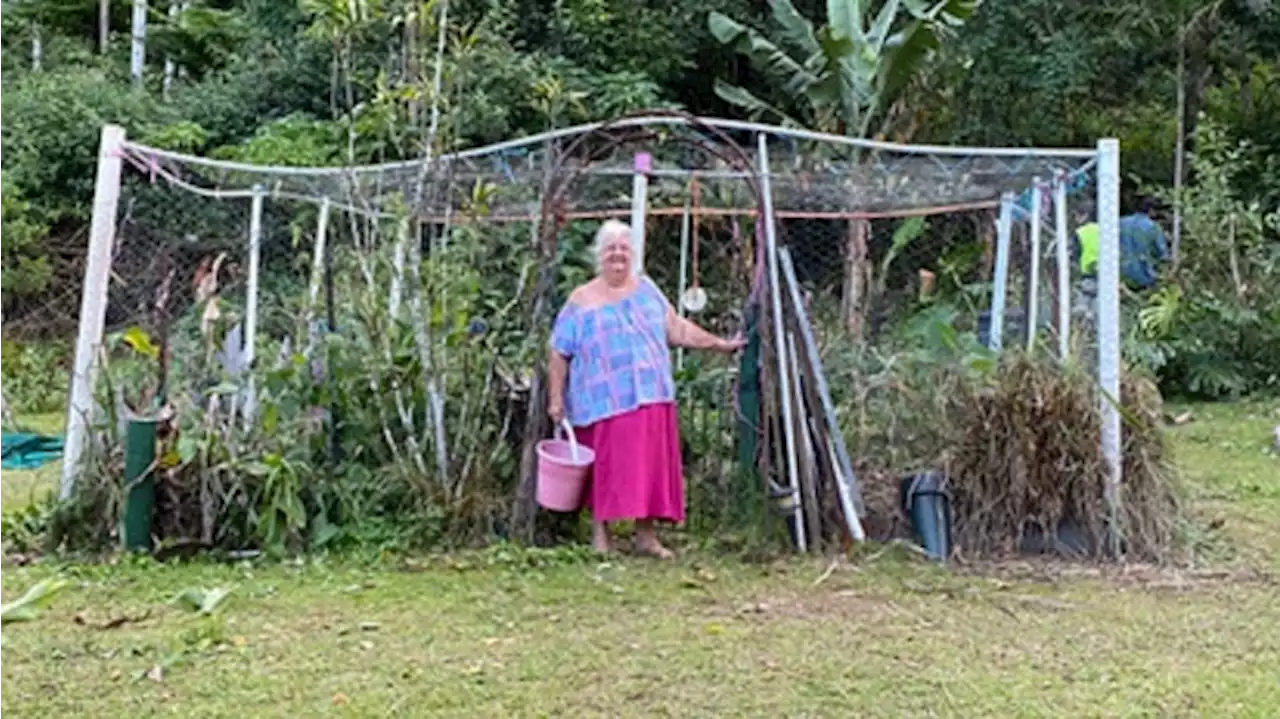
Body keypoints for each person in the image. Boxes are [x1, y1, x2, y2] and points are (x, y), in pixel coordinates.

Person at [547, 220, 745, 558]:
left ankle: (646, 537)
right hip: (602, 400)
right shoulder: (580, 300)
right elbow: (558, 350)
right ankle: (601, 537)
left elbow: (675, 328)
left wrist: (719, 344)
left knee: (648, 467)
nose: (618, 254)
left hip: (651, 394)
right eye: (611, 248)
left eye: (624, 247)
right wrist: (555, 399)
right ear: (599, 255)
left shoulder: (647, 290)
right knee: (606, 467)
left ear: (633, 254)